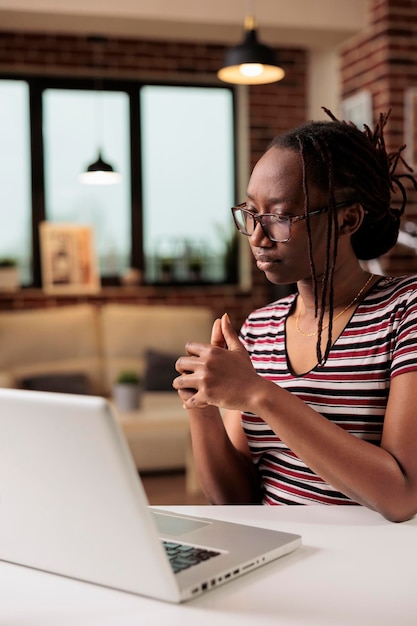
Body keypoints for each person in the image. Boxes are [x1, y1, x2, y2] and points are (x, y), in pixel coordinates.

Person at [173, 109, 417, 522]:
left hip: (375, 564)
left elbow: (401, 495)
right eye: (251, 213)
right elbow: (237, 501)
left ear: (348, 219)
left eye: (281, 217)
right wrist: (204, 407)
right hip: (278, 551)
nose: (257, 235)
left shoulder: (405, 311)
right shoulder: (259, 328)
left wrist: (258, 393)